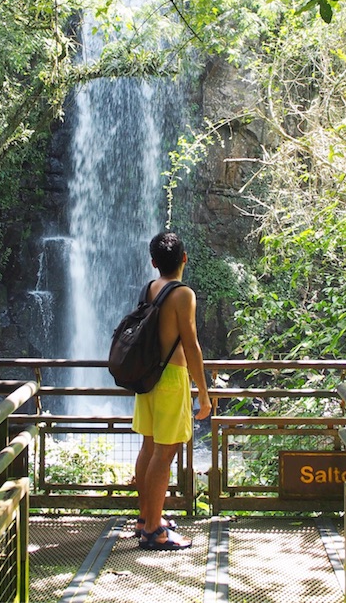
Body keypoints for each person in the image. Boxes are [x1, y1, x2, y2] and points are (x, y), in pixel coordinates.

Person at [132, 231, 211, 550]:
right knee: (165, 453)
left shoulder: (149, 288)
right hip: (171, 378)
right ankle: (154, 530)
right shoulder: (183, 294)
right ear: (184, 258)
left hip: (147, 376)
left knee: (148, 447)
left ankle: (145, 518)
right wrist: (203, 393)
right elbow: (191, 346)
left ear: (153, 262)